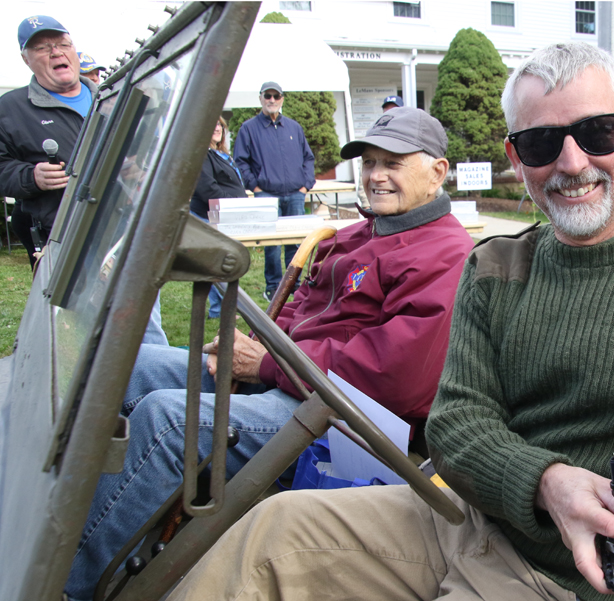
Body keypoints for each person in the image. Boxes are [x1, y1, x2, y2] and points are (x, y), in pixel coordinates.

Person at [166, 42, 614, 601]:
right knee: (269, 535)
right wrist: (543, 480)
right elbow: (457, 420)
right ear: (515, 160)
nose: (571, 162)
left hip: (589, 577)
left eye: (595, 133)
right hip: (476, 524)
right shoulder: (497, 267)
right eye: (541, 143)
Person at [65, 107, 474, 601]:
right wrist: (252, 347)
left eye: (393, 162)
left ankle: (67, 582)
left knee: (173, 421)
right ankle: (64, 516)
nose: (375, 176)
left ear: (438, 171)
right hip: (292, 378)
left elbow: (396, 377)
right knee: (125, 369)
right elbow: (300, 306)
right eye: (368, 163)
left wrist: (262, 363)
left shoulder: (445, 254)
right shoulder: (358, 234)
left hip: (347, 419)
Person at [0, 16, 96, 268]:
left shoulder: (115, 97)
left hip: (128, 227)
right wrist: (30, 177)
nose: (55, 52)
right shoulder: (9, 109)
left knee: (138, 305)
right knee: (73, 307)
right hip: (61, 236)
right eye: (42, 48)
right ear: (26, 59)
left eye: (63, 44)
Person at [233, 81, 315, 302]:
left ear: (282, 99)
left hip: (295, 194)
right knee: (271, 246)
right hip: (266, 195)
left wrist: (306, 185)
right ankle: (272, 287)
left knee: (296, 243)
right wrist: (256, 187)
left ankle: (294, 285)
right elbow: (240, 161)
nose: (271, 100)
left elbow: (308, 157)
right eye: (267, 96)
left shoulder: (294, 128)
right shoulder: (248, 128)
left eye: (276, 96)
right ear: (260, 98)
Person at [191, 116, 247, 318]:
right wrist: (231, 205)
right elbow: (207, 188)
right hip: (211, 217)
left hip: (227, 217)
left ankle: (221, 309)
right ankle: (220, 310)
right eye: (211, 124)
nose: (216, 128)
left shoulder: (220, 154)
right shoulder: (202, 155)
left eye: (219, 125)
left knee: (222, 263)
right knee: (220, 264)